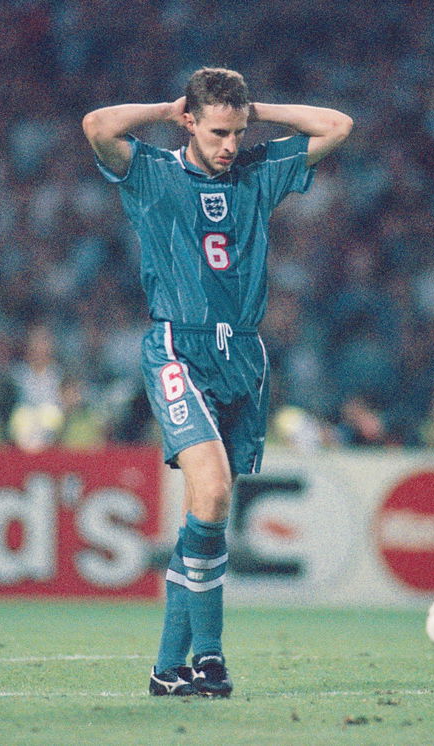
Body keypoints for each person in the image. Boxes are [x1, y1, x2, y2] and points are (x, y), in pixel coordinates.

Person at [82, 67, 351, 697]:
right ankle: (211, 660)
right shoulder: (153, 172)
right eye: (218, 131)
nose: (230, 144)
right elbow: (96, 125)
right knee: (212, 488)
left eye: (237, 131)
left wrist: (262, 111)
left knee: (208, 510)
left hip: (244, 356)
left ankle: (167, 669)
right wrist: (167, 105)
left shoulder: (257, 172)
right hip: (178, 347)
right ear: (190, 124)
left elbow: (338, 126)